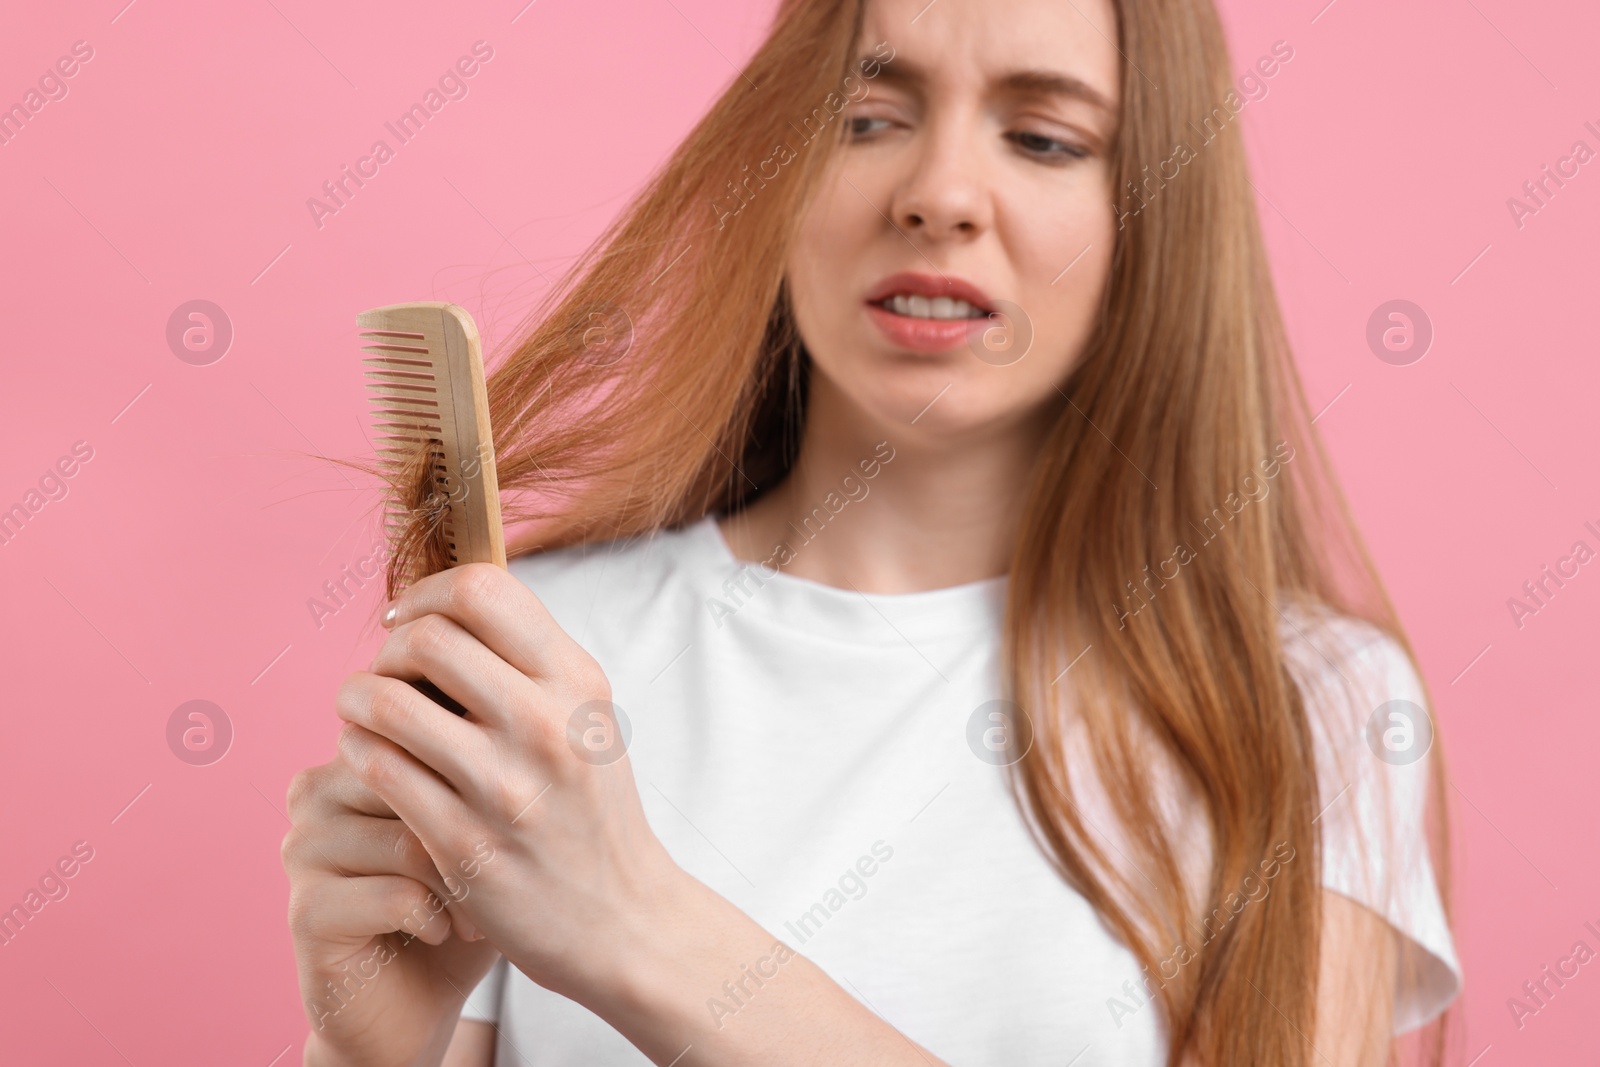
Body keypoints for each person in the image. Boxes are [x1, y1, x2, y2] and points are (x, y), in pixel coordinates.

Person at [280, 0, 1462, 1063]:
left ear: (1155, 212)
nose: (939, 192)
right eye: (865, 117)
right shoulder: (540, 654)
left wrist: (633, 924)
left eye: (1043, 138)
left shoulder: (1306, 701)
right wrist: (372, 1049)